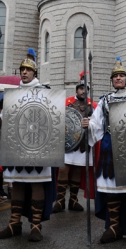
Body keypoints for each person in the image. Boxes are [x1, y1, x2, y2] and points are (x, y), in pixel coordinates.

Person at [83, 57, 126, 245]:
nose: (118, 78)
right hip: (110, 149)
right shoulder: (105, 100)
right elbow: (96, 124)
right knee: (112, 190)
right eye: (115, 76)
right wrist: (87, 124)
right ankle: (114, 226)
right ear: (112, 80)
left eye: (121, 75)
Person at [0, 49, 56, 242]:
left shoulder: (44, 91)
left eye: (28, 70)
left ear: (34, 73)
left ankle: (36, 225)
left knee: (37, 182)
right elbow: (7, 117)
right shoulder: (12, 95)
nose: (24, 72)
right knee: (18, 183)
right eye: (22, 70)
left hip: (38, 146)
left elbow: (54, 116)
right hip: (17, 144)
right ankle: (14, 223)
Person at [53, 72, 96, 213]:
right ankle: (60, 201)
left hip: (83, 144)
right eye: (81, 88)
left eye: (86, 89)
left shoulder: (92, 106)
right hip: (68, 143)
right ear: (77, 89)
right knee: (64, 170)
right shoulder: (68, 103)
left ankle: (73, 200)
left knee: (77, 171)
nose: (83, 91)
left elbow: (96, 124)